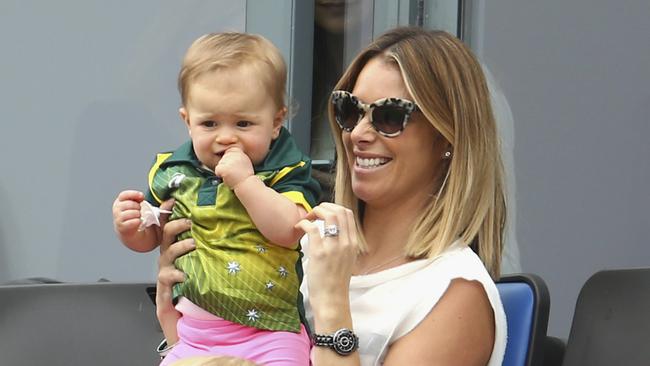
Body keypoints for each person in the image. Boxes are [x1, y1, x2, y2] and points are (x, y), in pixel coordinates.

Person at [158, 27, 507, 365]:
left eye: (389, 116)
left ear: (447, 137)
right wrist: (177, 330)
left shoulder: (453, 293)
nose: (358, 133)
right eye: (350, 111)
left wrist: (331, 304)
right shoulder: (303, 242)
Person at [111, 32, 320, 365]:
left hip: (269, 335)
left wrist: (247, 183)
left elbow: (290, 229)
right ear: (187, 121)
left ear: (277, 122)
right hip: (193, 336)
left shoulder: (285, 169)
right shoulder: (174, 170)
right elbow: (151, 236)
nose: (225, 136)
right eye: (209, 123)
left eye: (243, 123)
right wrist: (131, 227)